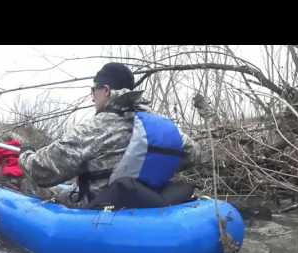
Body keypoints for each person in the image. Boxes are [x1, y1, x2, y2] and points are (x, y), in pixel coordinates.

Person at [18, 62, 201, 209]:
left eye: (93, 91)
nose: (92, 98)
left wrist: (25, 154)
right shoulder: (160, 124)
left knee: (32, 186)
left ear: (105, 90)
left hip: (99, 208)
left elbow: (41, 171)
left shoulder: (93, 129)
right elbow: (194, 154)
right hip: (149, 202)